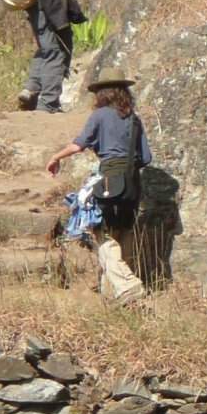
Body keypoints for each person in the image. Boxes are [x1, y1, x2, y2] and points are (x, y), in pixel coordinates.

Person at [44, 69, 152, 305]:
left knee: (100, 232)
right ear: (124, 93)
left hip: (109, 180)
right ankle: (111, 295)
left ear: (102, 94)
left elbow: (78, 146)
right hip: (133, 182)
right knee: (122, 234)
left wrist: (55, 157)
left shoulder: (100, 116)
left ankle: (127, 285)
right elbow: (146, 157)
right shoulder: (134, 119)